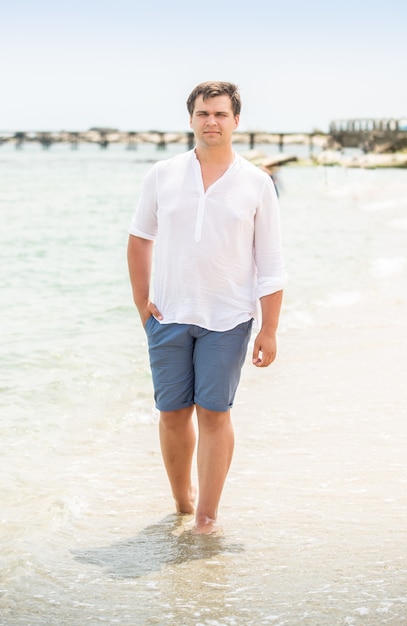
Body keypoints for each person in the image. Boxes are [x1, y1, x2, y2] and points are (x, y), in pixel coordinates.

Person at [127, 81, 285, 534]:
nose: (211, 122)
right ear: (191, 119)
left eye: (220, 114)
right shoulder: (162, 174)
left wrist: (269, 329)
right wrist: (142, 302)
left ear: (236, 121)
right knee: (172, 413)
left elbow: (271, 263)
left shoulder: (257, 183)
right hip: (168, 316)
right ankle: (182, 503)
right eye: (203, 114)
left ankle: (207, 517)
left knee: (215, 414)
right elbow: (140, 238)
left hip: (229, 318)